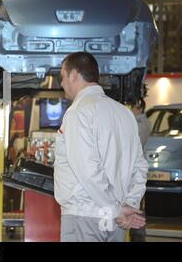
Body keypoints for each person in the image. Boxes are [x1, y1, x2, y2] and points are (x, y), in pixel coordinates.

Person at [54, 52, 149, 242]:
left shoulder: (78, 112)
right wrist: (129, 204)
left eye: (62, 76)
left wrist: (116, 209)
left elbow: (88, 171)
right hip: (115, 223)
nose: (62, 83)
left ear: (74, 74)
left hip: (84, 216)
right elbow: (139, 166)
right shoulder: (125, 114)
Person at [129, 98, 151, 242]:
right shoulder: (140, 122)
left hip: (136, 169)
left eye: (132, 106)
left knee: (136, 202)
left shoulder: (141, 124)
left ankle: (138, 234)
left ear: (139, 107)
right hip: (136, 168)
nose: (130, 108)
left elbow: (135, 144)